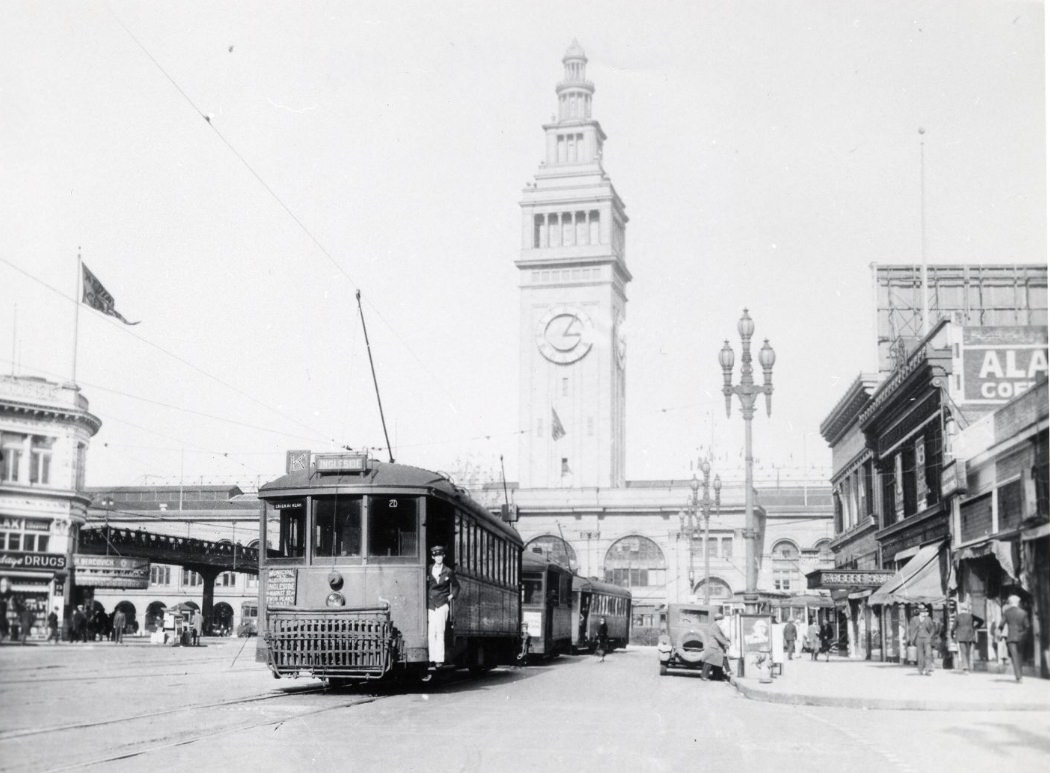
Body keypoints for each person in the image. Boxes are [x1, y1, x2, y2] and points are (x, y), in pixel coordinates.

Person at [425, 545, 459, 667]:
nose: (438, 558)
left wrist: (451, 597)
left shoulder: (448, 571)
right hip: (431, 604)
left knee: (440, 632)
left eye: (440, 555)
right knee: (431, 632)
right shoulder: (429, 569)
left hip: (442, 604)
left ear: (443, 556)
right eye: (436, 556)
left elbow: (456, 586)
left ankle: (439, 659)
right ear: (433, 557)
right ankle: (431, 658)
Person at [1000, 594, 1028, 682]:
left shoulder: (1007, 612)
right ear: (1018, 602)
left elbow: (1001, 625)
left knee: (1014, 656)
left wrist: (998, 632)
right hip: (1021, 636)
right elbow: (1027, 626)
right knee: (1020, 656)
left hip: (1011, 637)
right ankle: (1020, 675)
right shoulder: (1023, 613)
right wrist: (1023, 634)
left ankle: (1018, 676)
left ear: (1010, 602)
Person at [950, 602, 982, 674]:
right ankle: (968, 667)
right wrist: (975, 627)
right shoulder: (971, 616)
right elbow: (981, 621)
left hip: (961, 635)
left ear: (961, 609)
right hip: (970, 635)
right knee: (968, 651)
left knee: (963, 651)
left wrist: (952, 635)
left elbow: (953, 627)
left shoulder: (958, 616)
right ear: (967, 609)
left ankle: (965, 667)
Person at [699, 617, 731, 681]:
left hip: (715, 646)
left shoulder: (715, 626)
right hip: (714, 647)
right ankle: (705, 676)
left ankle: (717, 676)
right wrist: (726, 643)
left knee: (716, 661)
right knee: (709, 662)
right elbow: (718, 637)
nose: (722, 622)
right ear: (718, 620)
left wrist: (726, 640)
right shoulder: (715, 627)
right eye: (721, 620)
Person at [908, 606, 937, 675]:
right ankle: (920, 670)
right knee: (920, 655)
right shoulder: (914, 619)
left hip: (927, 638)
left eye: (925, 612)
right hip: (918, 638)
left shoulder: (928, 619)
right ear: (920, 613)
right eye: (923, 612)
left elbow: (933, 628)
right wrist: (912, 638)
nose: (924, 613)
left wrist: (930, 636)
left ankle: (927, 669)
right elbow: (911, 629)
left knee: (928, 654)